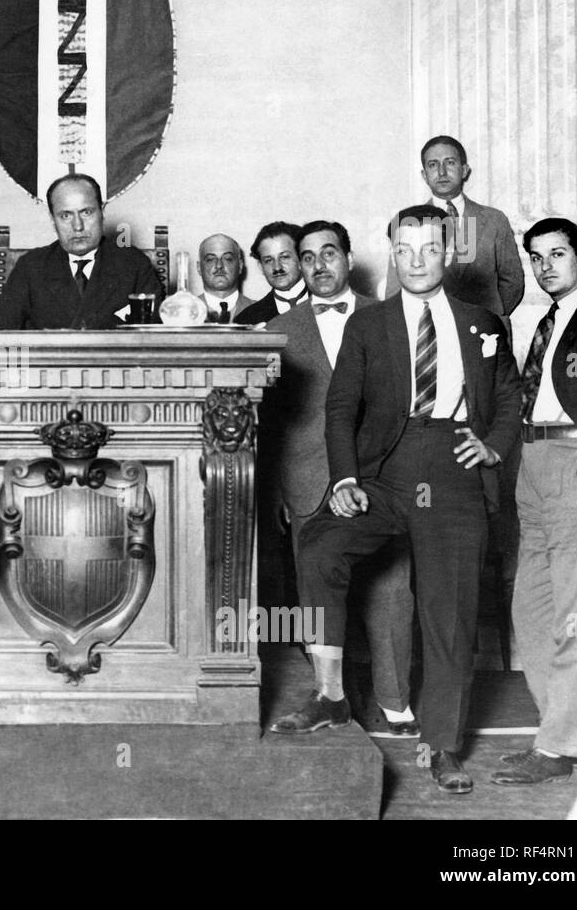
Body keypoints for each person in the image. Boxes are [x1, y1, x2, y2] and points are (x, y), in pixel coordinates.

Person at [269, 205, 521, 795]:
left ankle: (442, 744)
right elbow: (339, 410)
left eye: (428, 248)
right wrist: (344, 480)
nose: (415, 260)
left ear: (447, 252)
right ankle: (332, 695)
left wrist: (493, 446)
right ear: (392, 252)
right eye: (404, 249)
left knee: (448, 609)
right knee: (319, 546)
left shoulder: (483, 322)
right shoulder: (369, 324)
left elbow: (509, 397)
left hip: (453, 465)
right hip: (384, 468)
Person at [262, 221, 416, 736]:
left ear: (349, 259)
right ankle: (332, 697)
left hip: (379, 481)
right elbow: (273, 421)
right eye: (308, 258)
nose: (319, 265)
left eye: (330, 253)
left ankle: (396, 706)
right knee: (316, 596)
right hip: (308, 482)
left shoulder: (391, 317)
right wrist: (283, 491)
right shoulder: (278, 332)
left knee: (390, 591)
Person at [493, 217, 577, 785]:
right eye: (537, 257)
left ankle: (556, 748)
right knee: (533, 610)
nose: (547, 265)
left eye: (558, 254)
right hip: (532, 466)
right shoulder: (546, 322)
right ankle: (563, 734)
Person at [0, 173, 162, 329]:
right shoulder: (31, 267)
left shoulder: (133, 264)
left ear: (102, 212)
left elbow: (155, 341)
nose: (77, 226)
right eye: (65, 215)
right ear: (52, 220)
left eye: (86, 212)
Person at [383, 135, 523, 319]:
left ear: (464, 170)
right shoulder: (407, 223)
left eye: (449, 162)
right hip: (429, 329)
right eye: (433, 165)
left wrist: (491, 314)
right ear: (424, 175)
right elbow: (395, 286)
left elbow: (513, 281)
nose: (441, 172)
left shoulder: (494, 219)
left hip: (484, 329)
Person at [236, 222, 306, 325]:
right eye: (268, 260)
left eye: (284, 257)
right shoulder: (246, 320)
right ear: (261, 267)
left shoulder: (329, 303)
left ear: (301, 259)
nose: (277, 267)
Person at [197, 234, 256, 323]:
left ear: (240, 266)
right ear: (199, 268)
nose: (219, 265)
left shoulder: (261, 312)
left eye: (228, 259)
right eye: (210, 259)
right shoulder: (182, 313)